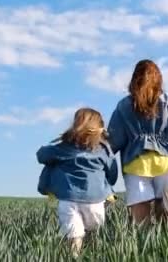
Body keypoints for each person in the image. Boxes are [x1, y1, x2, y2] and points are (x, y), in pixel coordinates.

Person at [108, 59, 168, 225]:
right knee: (165, 201)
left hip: (136, 161)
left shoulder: (124, 105)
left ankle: (144, 237)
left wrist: (99, 156)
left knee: (139, 205)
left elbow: (115, 139)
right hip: (167, 160)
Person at [37, 108, 118, 255]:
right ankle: (94, 255)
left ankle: (75, 256)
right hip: (96, 200)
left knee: (74, 235)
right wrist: (108, 187)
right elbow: (112, 172)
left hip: (69, 199)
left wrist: (60, 141)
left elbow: (41, 156)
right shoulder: (103, 150)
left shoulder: (63, 148)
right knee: (94, 233)